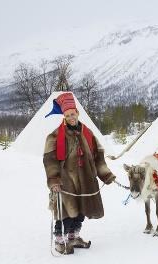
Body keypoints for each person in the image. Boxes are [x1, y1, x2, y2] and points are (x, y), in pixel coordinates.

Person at [43, 92, 116, 254]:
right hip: (66, 181)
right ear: (64, 116)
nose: (71, 117)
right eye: (67, 115)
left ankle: (73, 237)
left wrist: (106, 174)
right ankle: (60, 240)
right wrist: (54, 180)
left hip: (86, 178)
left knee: (81, 210)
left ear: (77, 113)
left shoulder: (88, 133)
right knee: (66, 212)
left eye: (73, 114)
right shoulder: (55, 136)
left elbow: (98, 155)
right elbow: (49, 159)